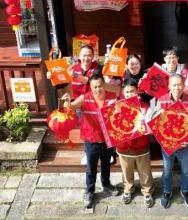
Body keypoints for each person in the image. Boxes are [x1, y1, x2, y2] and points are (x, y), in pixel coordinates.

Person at [62, 75, 121, 209]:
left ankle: (106, 184)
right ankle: (89, 191)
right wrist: (67, 101)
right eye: (95, 87)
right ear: (90, 87)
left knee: (106, 164)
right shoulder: (84, 97)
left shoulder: (112, 97)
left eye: (100, 86)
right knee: (91, 166)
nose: (98, 89)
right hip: (91, 138)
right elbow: (71, 107)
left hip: (107, 138)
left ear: (104, 85)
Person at [147, 74, 188, 208]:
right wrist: (158, 113)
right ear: (169, 86)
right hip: (167, 144)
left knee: (186, 170)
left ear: (183, 86)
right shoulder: (162, 100)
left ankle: (185, 190)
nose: (177, 88)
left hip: (184, 144)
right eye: (174, 85)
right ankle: (167, 191)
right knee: (167, 170)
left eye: (179, 84)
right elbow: (153, 121)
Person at [116, 79, 154, 208]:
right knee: (126, 170)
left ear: (137, 91)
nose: (129, 94)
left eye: (132, 91)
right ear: (123, 92)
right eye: (127, 92)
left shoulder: (145, 107)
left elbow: (149, 128)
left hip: (141, 145)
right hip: (124, 146)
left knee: (145, 171)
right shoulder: (117, 106)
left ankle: (147, 191)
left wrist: (142, 121)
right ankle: (128, 189)